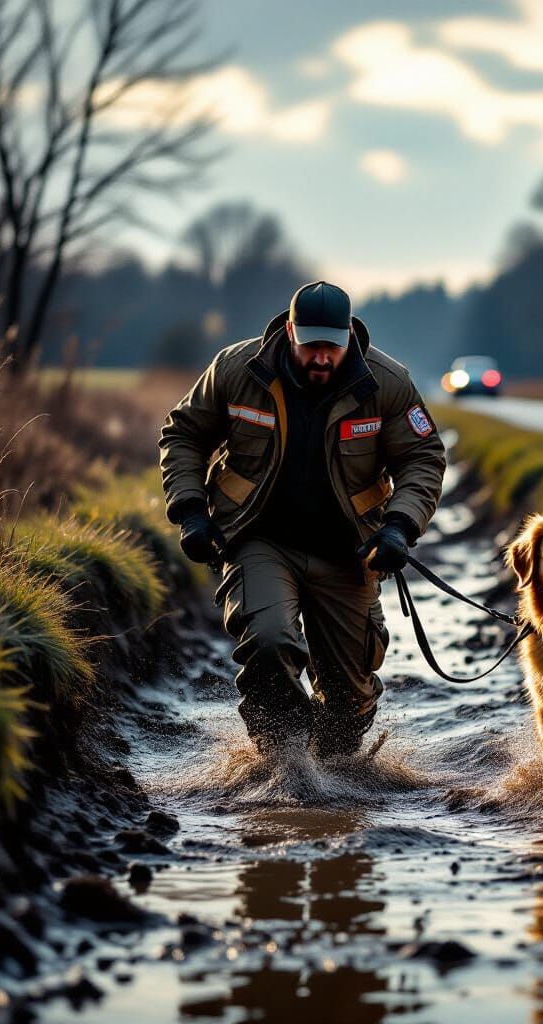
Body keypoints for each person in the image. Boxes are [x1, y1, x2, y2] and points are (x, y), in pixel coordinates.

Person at [159, 282, 446, 756]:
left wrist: (400, 526)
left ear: (349, 338)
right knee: (269, 643)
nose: (321, 358)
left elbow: (423, 458)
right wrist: (190, 511)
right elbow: (183, 434)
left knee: (348, 699)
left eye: (332, 347)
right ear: (290, 332)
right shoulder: (237, 369)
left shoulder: (387, 383)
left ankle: (332, 758)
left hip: (349, 551)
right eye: (311, 345)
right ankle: (284, 761)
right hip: (259, 539)